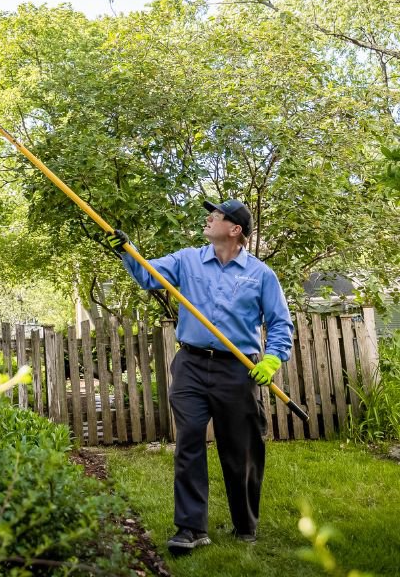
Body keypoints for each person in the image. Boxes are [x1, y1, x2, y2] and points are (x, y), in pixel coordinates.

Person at [108, 199, 293, 555]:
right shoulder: (187, 260)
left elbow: (281, 323)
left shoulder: (260, 275)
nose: (209, 218)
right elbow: (148, 276)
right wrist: (127, 251)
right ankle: (191, 528)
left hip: (237, 369)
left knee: (241, 450)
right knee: (189, 442)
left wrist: (271, 361)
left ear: (235, 229)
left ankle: (245, 523)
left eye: (217, 215)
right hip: (191, 364)